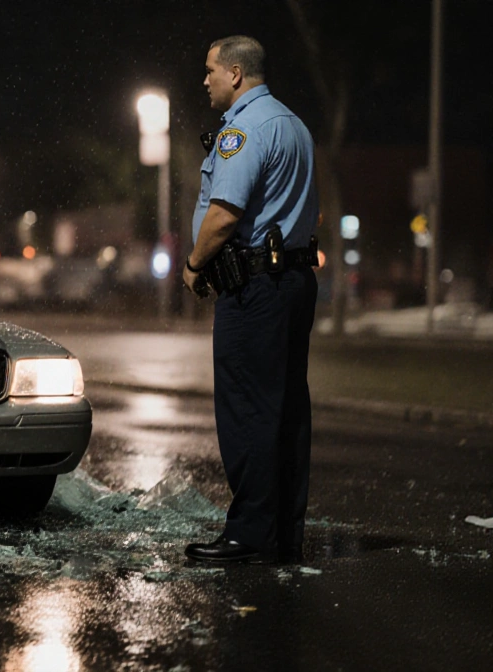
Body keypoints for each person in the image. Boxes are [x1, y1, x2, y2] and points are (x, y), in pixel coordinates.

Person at [181, 35, 320, 564]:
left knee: (249, 411)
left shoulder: (243, 129)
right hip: (293, 283)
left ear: (236, 74)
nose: (206, 80)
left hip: (255, 287)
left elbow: (224, 214)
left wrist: (195, 265)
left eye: (211, 70)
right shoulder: (295, 126)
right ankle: (284, 532)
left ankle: (250, 535)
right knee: (286, 411)